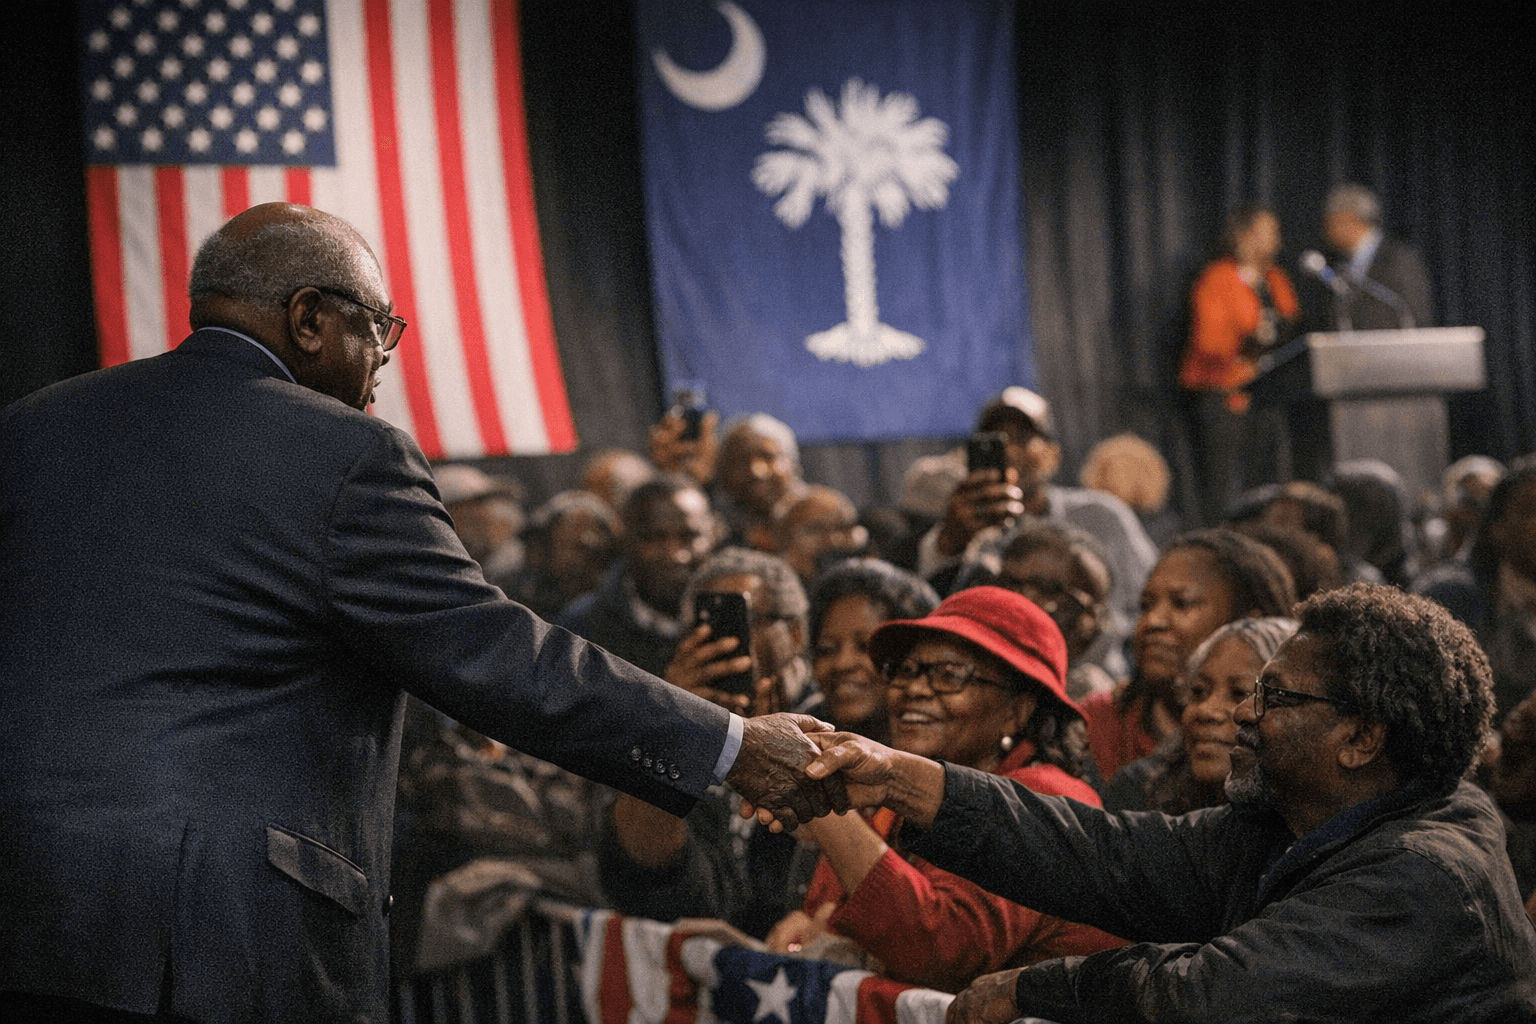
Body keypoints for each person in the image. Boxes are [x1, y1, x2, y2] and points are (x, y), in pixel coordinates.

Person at [0, 203, 842, 1023]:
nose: (383, 360)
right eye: (380, 328)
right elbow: (500, 656)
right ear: (308, 321)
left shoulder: (35, 427)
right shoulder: (343, 453)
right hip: (220, 942)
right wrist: (727, 744)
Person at [802, 584, 1536, 1023]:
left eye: (1271, 697)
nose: (1242, 715)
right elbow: (1100, 853)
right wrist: (892, 776)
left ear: (1361, 738)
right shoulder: (1284, 824)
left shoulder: (1425, 873)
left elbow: (1218, 997)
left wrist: (1041, 988)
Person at [764, 587, 1123, 992]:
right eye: (906, 670)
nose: (914, 689)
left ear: (1018, 710)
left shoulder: (1051, 800)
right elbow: (821, 920)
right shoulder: (902, 794)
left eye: (950, 675)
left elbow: (940, 951)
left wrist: (821, 794)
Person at [598, 548, 825, 939]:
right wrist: (672, 715)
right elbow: (643, 870)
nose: (723, 641)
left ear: (796, 632)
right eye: (702, 627)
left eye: (743, 621)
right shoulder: (675, 719)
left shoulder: (831, 715)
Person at [919, 386, 1157, 678]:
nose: (1009, 451)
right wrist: (950, 542)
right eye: (995, 441)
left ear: (1052, 454)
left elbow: (1151, 599)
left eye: (1023, 439)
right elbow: (934, 615)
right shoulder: (970, 532)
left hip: (1099, 683)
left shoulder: (1102, 515)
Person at [1079, 529, 1296, 781]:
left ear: (1249, 622)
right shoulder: (1096, 723)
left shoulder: (1282, 747)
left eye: (1182, 603)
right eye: (1146, 605)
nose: (1153, 621)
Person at [1177, 205, 1300, 524]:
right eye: (1268, 233)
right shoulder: (1218, 278)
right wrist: (1249, 339)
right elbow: (1208, 342)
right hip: (1223, 396)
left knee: (1269, 484)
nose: (1276, 242)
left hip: (1269, 395)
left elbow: (1292, 324)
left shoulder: (1275, 280)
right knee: (1221, 487)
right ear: (1244, 237)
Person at [1104, 616, 1298, 814]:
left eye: (1241, 693)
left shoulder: (1312, 826)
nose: (1206, 711)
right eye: (1198, 691)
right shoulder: (1140, 792)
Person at [557, 474, 718, 677]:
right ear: (625, 541)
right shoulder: (581, 629)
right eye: (654, 538)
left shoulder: (745, 612)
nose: (675, 554)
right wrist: (671, 698)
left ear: (714, 534)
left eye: (690, 536)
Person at [955, 519, 1117, 702]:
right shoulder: (961, 664)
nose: (1018, 599)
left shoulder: (1092, 700)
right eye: (1010, 583)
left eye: (1046, 588)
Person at [807, 559, 940, 745]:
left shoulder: (946, 757)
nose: (843, 663)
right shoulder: (802, 733)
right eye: (827, 649)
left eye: (865, 647)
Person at [1321, 182, 1433, 331]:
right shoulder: (1341, 265)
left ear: (1348, 219)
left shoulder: (1400, 259)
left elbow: (1416, 313)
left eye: (1329, 223)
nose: (1327, 231)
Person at [501, 489, 619, 618]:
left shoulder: (618, 599)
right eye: (568, 543)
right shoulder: (524, 595)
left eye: (585, 548)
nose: (577, 559)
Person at [771, 483, 868, 582]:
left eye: (840, 527)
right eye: (815, 529)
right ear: (785, 536)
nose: (832, 539)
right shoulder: (774, 582)